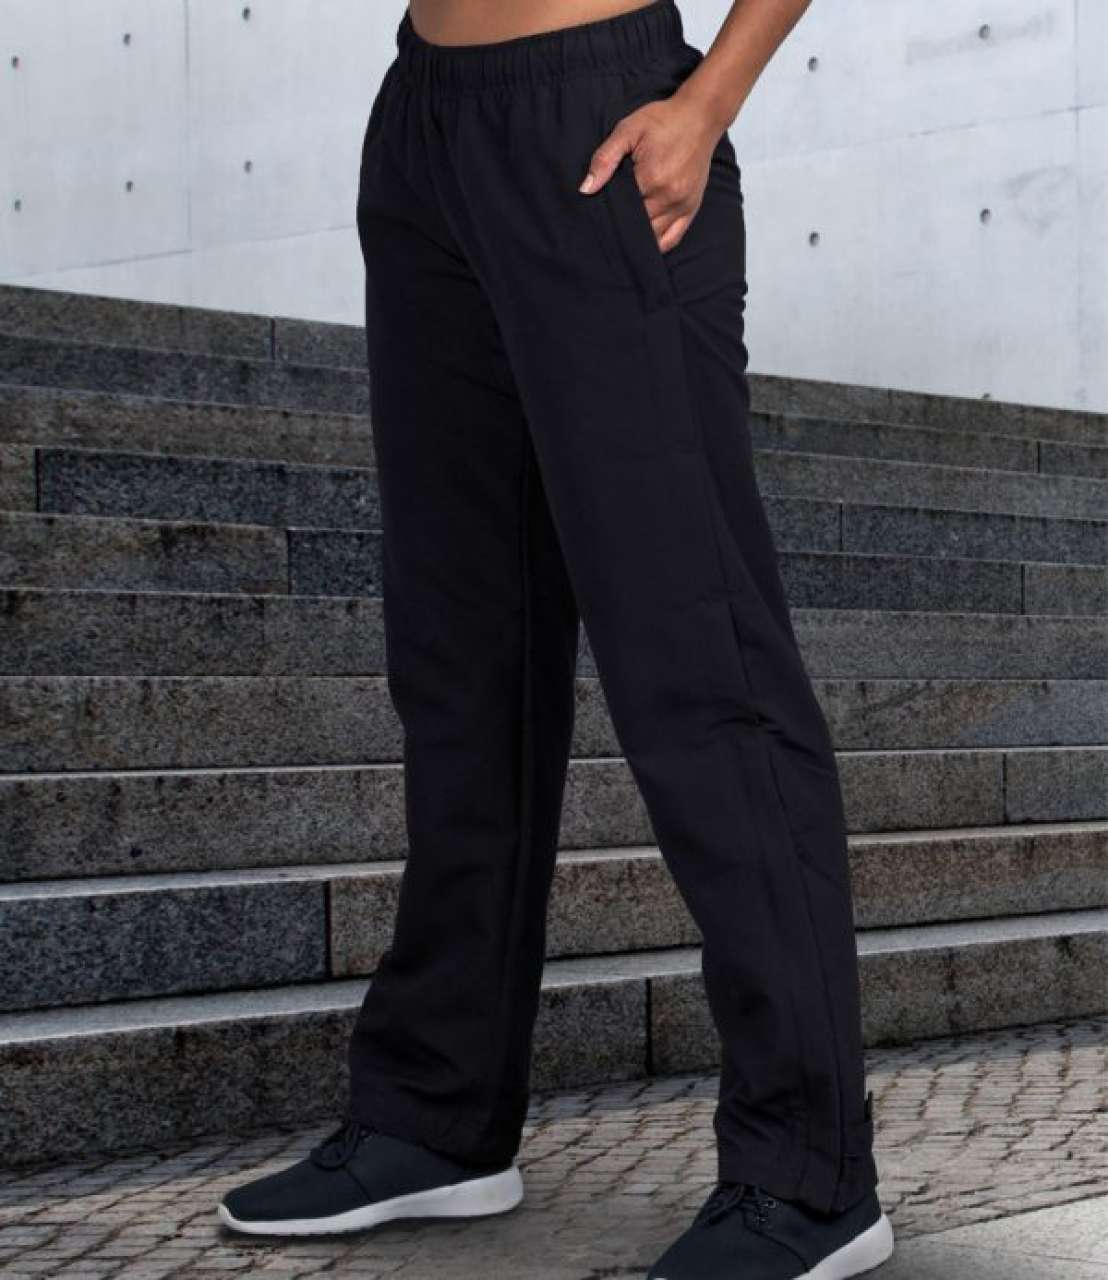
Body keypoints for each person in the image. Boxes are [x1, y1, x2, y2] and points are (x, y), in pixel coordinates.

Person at [219, 0, 896, 1275]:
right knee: (460, 663)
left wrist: (705, 105)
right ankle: (435, 1114)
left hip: (603, 121)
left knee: (700, 660)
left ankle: (809, 1173)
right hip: (423, 129)